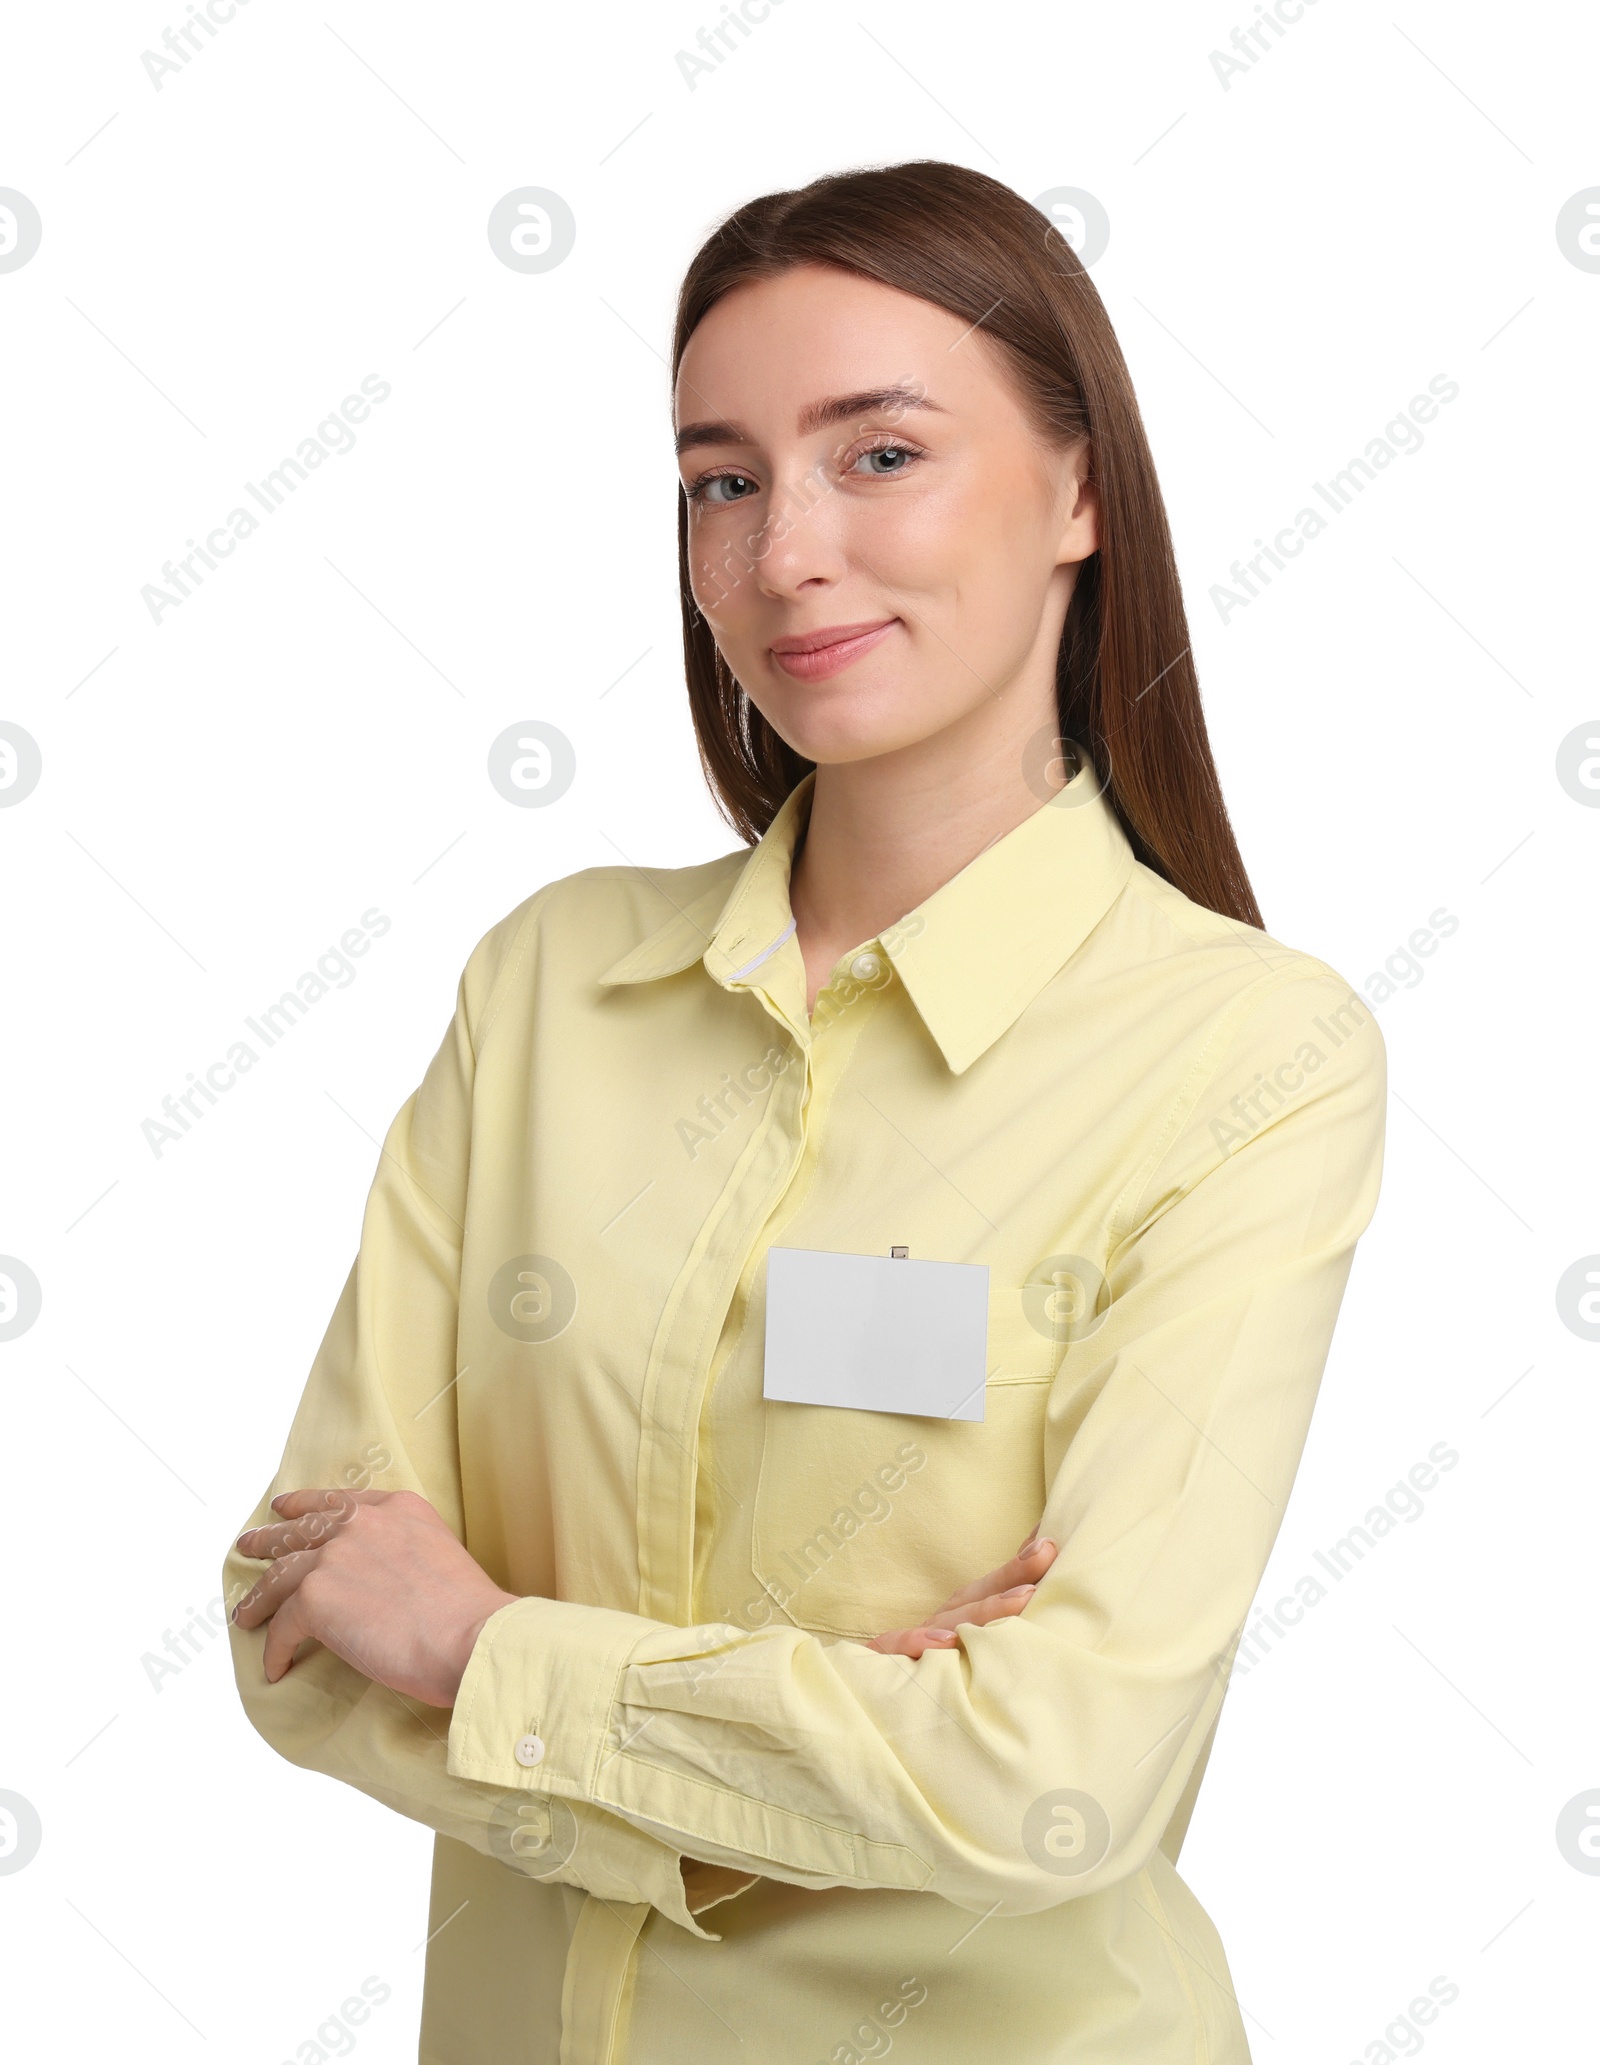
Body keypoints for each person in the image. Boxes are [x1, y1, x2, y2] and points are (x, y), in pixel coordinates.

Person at [224, 159, 1386, 2064]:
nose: (786, 556)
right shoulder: (548, 990)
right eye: (724, 479)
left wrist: (482, 1646)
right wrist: (830, 1729)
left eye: (881, 456)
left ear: (1081, 491)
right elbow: (295, 1630)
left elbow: (1046, 1781)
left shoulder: (1248, 1054)